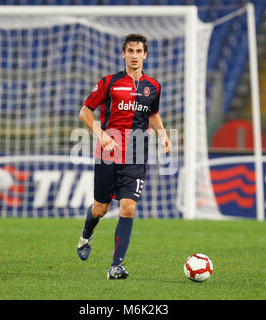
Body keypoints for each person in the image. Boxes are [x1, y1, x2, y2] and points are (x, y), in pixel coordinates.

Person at [77, 33, 171, 279]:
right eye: (130, 51)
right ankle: (87, 233)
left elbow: (152, 113)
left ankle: (115, 265)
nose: (134, 55)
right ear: (123, 54)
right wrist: (100, 135)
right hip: (107, 153)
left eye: (139, 51)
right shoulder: (109, 82)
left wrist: (162, 134)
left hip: (137, 155)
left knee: (128, 208)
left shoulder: (154, 87)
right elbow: (85, 112)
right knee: (101, 209)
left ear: (145, 55)